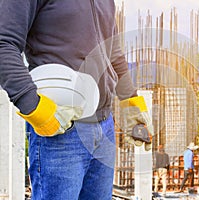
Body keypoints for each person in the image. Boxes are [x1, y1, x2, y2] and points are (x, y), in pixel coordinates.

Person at [0, 1, 153, 199]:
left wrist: (131, 102)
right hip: (61, 130)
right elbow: (4, 44)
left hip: (103, 127)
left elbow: (112, 51)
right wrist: (34, 108)